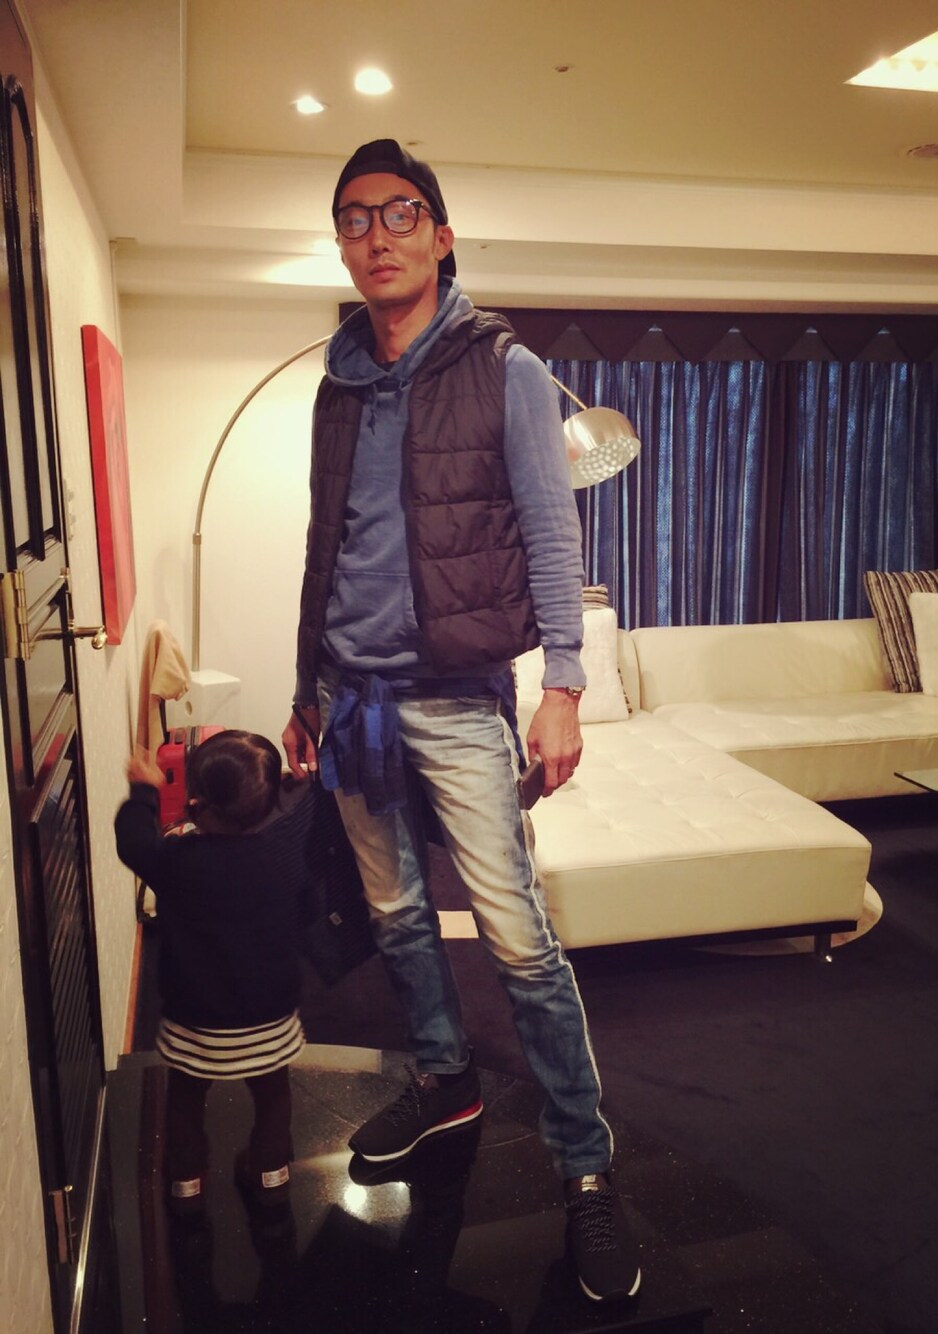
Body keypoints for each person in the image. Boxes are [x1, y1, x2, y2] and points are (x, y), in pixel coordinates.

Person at [281, 138, 640, 1302]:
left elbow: (549, 530)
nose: (375, 234)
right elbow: (326, 545)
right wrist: (304, 691)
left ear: (440, 235)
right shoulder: (337, 380)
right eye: (354, 217)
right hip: (350, 698)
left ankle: (586, 1167)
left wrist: (564, 687)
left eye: (399, 213)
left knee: (518, 938)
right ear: (342, 244)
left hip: (454, 696)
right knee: (395, 914)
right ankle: (445, 1079)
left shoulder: (507, 368)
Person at [115, 731, 303, 1215]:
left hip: (194, 1025)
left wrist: (144, 790)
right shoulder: (282, 857)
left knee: (184, 1101)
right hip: (269, 1023)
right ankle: (271, 1177)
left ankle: (186, 1185)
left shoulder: (177, 860)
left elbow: (133, 843)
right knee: (273, 1098)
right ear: (269, 805)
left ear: (195, 802)